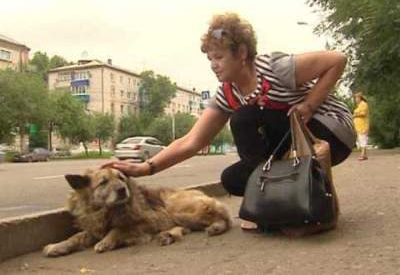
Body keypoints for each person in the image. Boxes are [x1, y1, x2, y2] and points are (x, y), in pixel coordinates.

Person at [102, 12, 356, 235]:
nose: (213, 65)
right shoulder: (227, 93)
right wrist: (146, 168)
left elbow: (337, 59)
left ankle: (278, 203)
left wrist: (309, 105)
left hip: (330, 132)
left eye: (219, 57)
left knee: (244, 117)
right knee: (233, 179)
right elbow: (192, 141)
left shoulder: (275, 68)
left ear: (242, 53)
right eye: (210, 59)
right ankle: (282, 203)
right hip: (290, 140)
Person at [353, 92, 369, 160]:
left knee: (362, 139)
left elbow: (364, 114)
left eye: (356, 98)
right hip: (358, 125)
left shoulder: (364, 104)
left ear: (360, 98)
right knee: (361, 139)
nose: (355, 99)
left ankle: (362, 155)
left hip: (362, 125)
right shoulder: (359, 106)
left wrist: (354, 115)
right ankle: (364, 155)